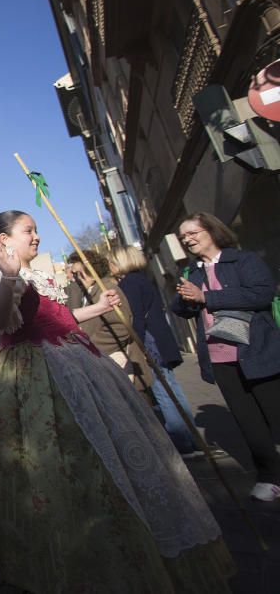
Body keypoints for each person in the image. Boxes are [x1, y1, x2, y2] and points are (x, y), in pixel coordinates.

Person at [0, 210, 234, 593]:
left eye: (38, 230)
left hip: (76, 362)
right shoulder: (1, 280)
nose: (37, 237)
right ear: (4, 240)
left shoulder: (41, 276)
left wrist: (100, 308)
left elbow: (61, 317)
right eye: (29, 231)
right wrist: (8, 277)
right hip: (37, 376)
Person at [171, 212, 280, 502]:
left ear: (212, 231)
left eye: (193, 233)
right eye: (183, 237)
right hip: (220, 358)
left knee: (275, 412)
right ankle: (270, 476)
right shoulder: (192, 272)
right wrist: (184, 299)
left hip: (256, 350)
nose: (187, 240)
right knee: (248, 422)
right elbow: (180, 309)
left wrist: (207, 298)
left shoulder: (243, 261)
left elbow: (261, 295)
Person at [109, 245, 198, 456]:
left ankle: (183, 442)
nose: (110, 267)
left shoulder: (129, 283)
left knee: (164, 392)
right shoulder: (142, 279)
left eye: (112, 262)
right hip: (160, 341)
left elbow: (136, 317)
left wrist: (135, 343)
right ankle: (191, 439)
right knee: (173, 390)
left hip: (150, 344)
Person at [66, 249, 153, 393]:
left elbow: (121, 327)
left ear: (91, 271)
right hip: (104, 365)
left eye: (77, 273)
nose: (74, 278)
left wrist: (91, 346)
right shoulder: (85, 293)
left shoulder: (107, 290)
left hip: (120, 363)